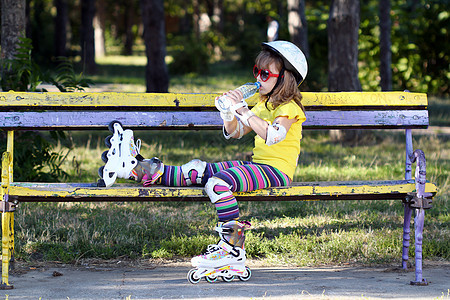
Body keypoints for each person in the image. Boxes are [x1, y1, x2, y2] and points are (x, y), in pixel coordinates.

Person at [100, 40, 308, 282]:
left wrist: (243, 111)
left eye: (265, 74)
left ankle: (232, 247)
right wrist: (229, 113)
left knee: (217, 184)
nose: (258, 79)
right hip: (258, 166)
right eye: (256, 72)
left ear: (285, 79)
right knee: (196, 170)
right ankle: (136, 167)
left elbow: (273, 136)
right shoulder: (264, 104)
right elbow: (234, 133)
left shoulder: (289, 107)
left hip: (277, 171)